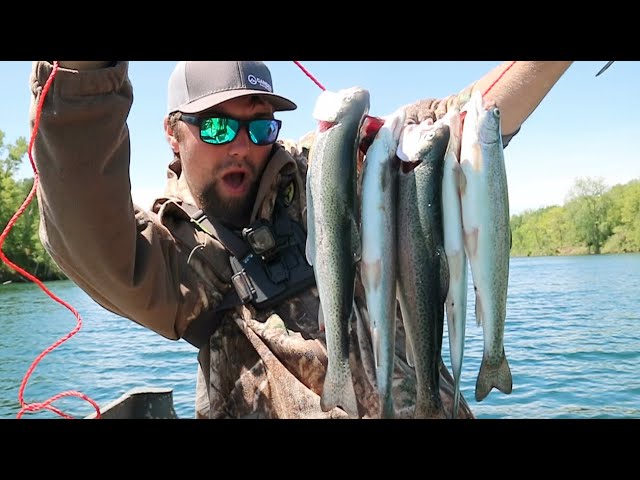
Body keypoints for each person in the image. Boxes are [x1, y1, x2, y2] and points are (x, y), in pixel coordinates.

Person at [29, 60, 573, 419]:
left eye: (260, 126)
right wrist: (83, 76)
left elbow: (460, 126)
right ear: (172, 132)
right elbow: (85, 221)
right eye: (217, 127)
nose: (242, 145)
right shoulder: (174, 254)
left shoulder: (331, 170)